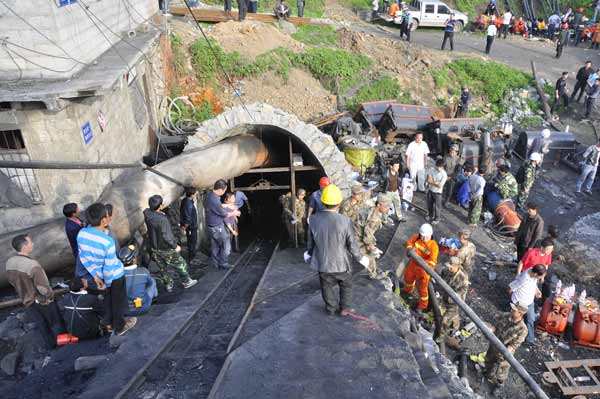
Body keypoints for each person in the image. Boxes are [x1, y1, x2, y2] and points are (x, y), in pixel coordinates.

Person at [305, 184, 369, 316]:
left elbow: (310, 242)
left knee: (326, 286)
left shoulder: (313, 220)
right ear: (339, 202)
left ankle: (331, 308)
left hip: (322, 263)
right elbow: (352, 244)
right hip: (342, 264)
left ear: (322, 201)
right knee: (346, 285)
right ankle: (345, 308)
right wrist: (361, 257)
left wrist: (309, 254)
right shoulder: (345, 221)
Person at [77, 203, 136, 336]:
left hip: (98, 275)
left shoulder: (81, 234)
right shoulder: (107, 241)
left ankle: (107, 323)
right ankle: (120, 326)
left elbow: (84, 257)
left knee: (107, 300)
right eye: (108, 216)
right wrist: (108, 283)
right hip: (114, 276)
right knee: (118, 302)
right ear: (103, 220)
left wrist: (96, 277)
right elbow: (110, 266)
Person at [6, 234, 65, 346]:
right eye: (30, 242)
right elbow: (43, 288)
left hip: (26, 300)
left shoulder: (10, 262)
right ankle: (64, 345)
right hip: (41, 300)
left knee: (42, 325)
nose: (32, 244)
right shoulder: (33, 265)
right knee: (56, 322)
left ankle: (51, 346)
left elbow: (11, 281)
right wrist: (50, 296)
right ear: (24, 246)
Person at [144, 195, 197, 291]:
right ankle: (186, 281)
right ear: (160, 206)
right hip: (166, 249)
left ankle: (168, 284)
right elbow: (166, 236)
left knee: (162, 268)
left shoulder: (147, 213)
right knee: (181, 264)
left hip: (154, 248)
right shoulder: (162, 220)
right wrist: (175, 246)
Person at [484, 303, 528, 388]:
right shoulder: (506, 315)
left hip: (505, 352)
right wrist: (493, 327)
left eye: (514, 310)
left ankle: (499, 384)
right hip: (494, 344)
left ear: (520, 314)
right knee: (489, 360)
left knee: (502, 370)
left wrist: (508, 351)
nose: (511, 310)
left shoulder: (523, 329)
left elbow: (515, 344)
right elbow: (496, 318)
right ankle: (488, 373)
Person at [402, 223, 439, 312]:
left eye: (424, 236)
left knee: (422, 288)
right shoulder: (417, 237)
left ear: (430, 235)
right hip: (413, 264)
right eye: (421, 236)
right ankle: (408, 290)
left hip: (424, 269)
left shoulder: (433, 246)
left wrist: (422, 263)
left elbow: (432, 261)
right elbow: (408, 243)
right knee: (408, 278)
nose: (422, 238)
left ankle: (422, 306)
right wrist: (410, 249)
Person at [204, 180, 240, 270]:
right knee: (226, 245)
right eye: (224, 190)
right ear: (220, 189)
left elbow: (219, 207)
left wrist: (225, 206)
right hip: (217, 227)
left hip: (211, 226)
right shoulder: (215, 200)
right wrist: (234, 213)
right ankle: (223, 263)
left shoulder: (209, 196)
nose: (224, 192)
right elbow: (224, 214)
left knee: (215, 246)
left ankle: (216, 264)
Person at [509, 264, 547, 344]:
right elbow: (511, 287)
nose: (541, 278)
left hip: (529, 301)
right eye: (541, 276)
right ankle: (512, 338)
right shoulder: (524, 278)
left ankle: (530, 340)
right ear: (536, 274)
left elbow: (534, 284)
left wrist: (536, 291)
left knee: (531, 319)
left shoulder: (532, 270)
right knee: (516, 320)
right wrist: (513, 302)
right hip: (520, 303)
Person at [358, 194, 391, 279]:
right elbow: (367, 234)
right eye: (386, 206)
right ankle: (373, 274)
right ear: (378, 205)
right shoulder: (374, 218)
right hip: (357, 237)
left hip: (359, 233)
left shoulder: (375, 211)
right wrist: (371, 247)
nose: (388, 209)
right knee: (369, 255)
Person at [119, 244, 158, 316]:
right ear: (134, 259)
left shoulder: (117, 276)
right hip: (143, 308)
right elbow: (149, 284)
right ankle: (155, 297)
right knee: (152, 281)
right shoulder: (143, 271)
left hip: (125, 310)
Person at [440, 256, 470, 346]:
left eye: (451, 267)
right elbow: (442, 276)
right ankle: (455, 325)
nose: (449, 268)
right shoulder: (447, 271)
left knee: (445, 320)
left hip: (454, 302)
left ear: (457, 266)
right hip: (445, 297)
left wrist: (456, 295)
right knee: (450, 314)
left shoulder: (462, 277)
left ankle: (441, 337)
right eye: (448, 266)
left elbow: (463, 289)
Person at [180, 187, 198, 262]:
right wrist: (184, 227)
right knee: (192, 243)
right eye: (195, 193)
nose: (196, 195)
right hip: (191, 227)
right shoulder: (188, 203)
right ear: (192, 194)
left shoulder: (185, 200)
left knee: (191, 242)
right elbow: (188, 217)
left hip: (190, 226)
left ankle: (191, 258)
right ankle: (192, 259)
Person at [426, 159, 447, 224]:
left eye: (439, 167)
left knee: (437, 207)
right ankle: (430, 215)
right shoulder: (432, 169)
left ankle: (437, 219)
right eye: (437, 166)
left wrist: (432, 182)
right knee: (430, 204)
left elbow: (440, 186)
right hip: (430, 190)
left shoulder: (444, 174)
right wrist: (435, 183)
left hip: (438, 193)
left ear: (442, 167)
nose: (437, 168)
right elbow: (428, 179)